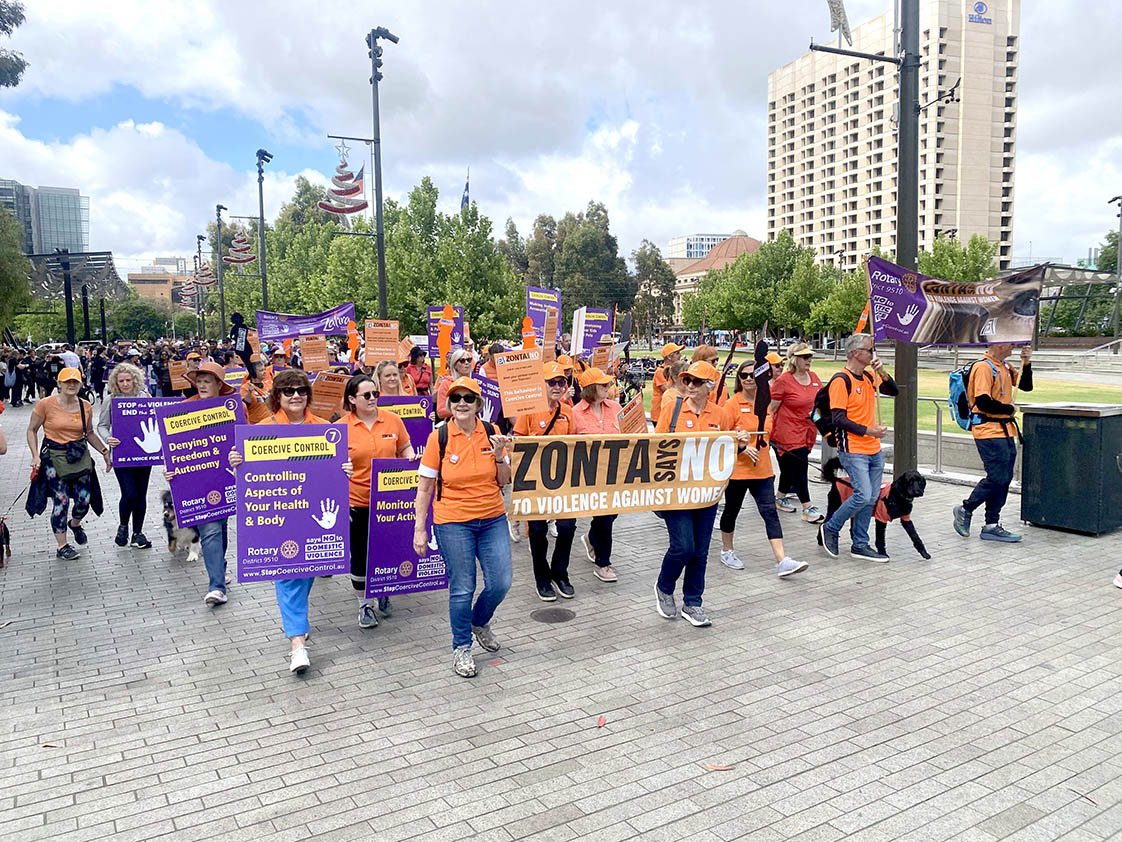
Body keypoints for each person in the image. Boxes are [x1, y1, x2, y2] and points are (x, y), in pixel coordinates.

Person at [229, 368, 352, 674]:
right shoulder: (263, 428)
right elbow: (249, 478)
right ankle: (297, 644)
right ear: (277, 396)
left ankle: (298, 621)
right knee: (288, 574)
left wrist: (344, 471)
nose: (295, 396)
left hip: (312, 517)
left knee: (305, 572)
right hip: (278, 517)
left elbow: (333, 474)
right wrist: (237, 464)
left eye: (301, 390)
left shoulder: (324, 428)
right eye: (288, 391)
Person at [414, 376, 513, 678]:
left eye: (468, 398)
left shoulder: (492, 432)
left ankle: (479, 621)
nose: (461, 404)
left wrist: (499, 457)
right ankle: (462, 647)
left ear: (478, 403)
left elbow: (505, 480)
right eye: (455, 398)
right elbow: (425, 486)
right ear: (449, 404)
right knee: (462, 587)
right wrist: (420, 528)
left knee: (501, 582)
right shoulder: (439, 437)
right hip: (453, 521)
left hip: (492, 517)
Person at [653, 360, 748, 627]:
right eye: (687, 381)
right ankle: (664, 586)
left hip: (707, 494)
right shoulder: (672, 409)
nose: (690, 386)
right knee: (683, 546)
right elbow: (656, 448)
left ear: (710, 386)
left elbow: (727, 453)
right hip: (677, 493)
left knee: (701, 551)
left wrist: (740, 445)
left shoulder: (720, 415)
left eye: (696, 381)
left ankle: (693, 602)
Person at [338, 373, 414, 628]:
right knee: (359, 555)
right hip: (356, 501)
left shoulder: (392, 420)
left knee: (387, 550)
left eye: (375, 394)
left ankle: (384, 590)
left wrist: (410, 459)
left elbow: (405, 448)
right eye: (366, 395)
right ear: (352, 399)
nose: (373, 399)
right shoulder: (341, 428)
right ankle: (364, 606)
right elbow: (332, 466)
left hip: (389, 501)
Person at [719, 360, 807, 577]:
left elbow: (770, 432)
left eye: (752, 375)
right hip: (738, 471)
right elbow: (720, 437)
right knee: (732, 511)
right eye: (743, 375)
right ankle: (727, 550)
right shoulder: (732, 404)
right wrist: (740, 447)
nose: (748, 379)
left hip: (763, 470)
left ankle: (782, 559)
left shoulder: (766, 404)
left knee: (769, 512)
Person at [819, 334, 899, 561]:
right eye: (869, 350)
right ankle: (831, 527)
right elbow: (838, 419)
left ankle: (860, 543)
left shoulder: (868, 377)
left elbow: (893, 390)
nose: (873, 354)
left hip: (873, 448)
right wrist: (868, 430)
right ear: (855, 353)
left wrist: (882, 371)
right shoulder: (840, 380)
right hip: (853, 448)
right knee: (863, 495)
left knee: (872, 497)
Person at [169, 361, 237, 605]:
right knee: (210, 529)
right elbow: (172, 447)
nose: (202, 385)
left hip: (226, 478)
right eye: (198, 381)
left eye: (207, 381)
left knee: (221, 527)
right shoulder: (185, 408)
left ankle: (220, 565)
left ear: (219, 384)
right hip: (197, 480)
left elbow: (247, 436)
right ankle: (216, 586)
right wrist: (170, 470)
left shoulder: (234, 407)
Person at [25, 367, 111, 560]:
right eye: (67, 382)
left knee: (84, 500)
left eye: (75, 382)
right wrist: (34, 456)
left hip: (79, 455)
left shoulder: (85, 406)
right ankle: (62, 545)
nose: (71, 385)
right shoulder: (45, 404)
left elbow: (88, 433)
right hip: (53, 457)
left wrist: (104, 452)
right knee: (61, 500)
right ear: (59, 384)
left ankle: (75, 524)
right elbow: (32, 430)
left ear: (80, 384)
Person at [953, 343, 1033, 543]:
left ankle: (991, 524)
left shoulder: (1004, 366)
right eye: (1010, 341)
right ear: (998, 344)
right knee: (997, 477)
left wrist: (1027, 362)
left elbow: (1026, 385)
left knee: (1004, 478)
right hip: (988, 430)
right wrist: (1007, 410)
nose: (1014, 345)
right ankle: (966, 508)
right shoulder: (984, 367)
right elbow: (982, 401)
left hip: (1005, 430)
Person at [513, 361, 576, 601]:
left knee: (567, 527)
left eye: (562, 382)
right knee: (538, 530)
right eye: (553, 382)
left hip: (562, 482)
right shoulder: (529, 410)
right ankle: (542, 578)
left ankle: (560, 573)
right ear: (542, 385)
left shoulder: (568, 411)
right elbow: (516, 441)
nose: (558, 387)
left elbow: (575, 444)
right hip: (534, 482)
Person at [570, 367, 622, 583]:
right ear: (591, 388)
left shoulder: (616, 407)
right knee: (604, 516)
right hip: (589, 473)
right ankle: (603, 562)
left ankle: (591, 538)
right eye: (603, 384)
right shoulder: (575, 413)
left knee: (612, 514)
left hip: (615, 472)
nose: (608, 386)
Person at [97, 362, 154, 549]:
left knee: (141, 495)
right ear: (116, 382)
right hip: (121, 453)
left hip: (143, 453)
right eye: (121, 381)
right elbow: (102, 425)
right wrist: (108, 438)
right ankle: (123, 526)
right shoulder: (110, 399)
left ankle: (138, 532)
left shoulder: (144, 396)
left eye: (128, 380)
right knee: (129, 493)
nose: (125, 384)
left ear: (135, 380)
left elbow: (154, 419)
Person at [769, 343, 825, 524]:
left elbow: (818, 405)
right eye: (804, 357)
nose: (809, 360)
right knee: (801, 467)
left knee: (788, 470)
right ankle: (807, 508)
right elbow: (772, 409)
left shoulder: (815, 377)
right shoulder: (783, 381)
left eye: (810, 356)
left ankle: (779, 497)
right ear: (794, 359)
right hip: (787, 432)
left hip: (808, 431)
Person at [434, 349, 475, 419]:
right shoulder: (446, 383)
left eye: (469, 360)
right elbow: (440, 412)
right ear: (455, 365)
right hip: (453, 424)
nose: (466, 363)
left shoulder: (475, 382)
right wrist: (462, 409)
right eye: (462, 361)